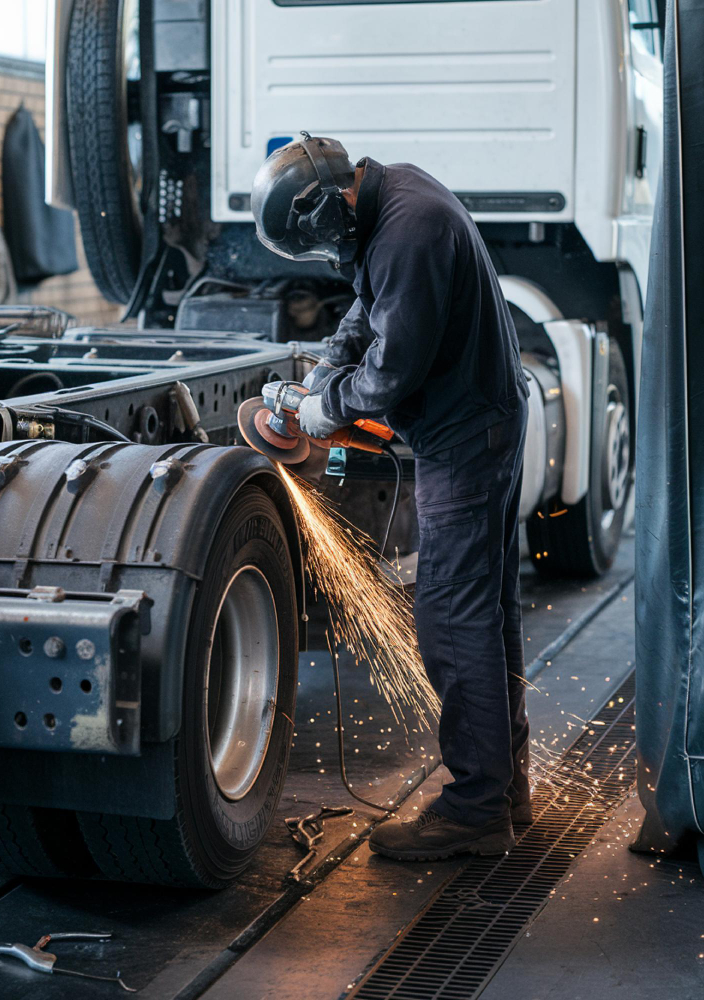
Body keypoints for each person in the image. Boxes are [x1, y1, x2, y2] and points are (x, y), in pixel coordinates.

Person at [251, 134, 531, 859]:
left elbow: (393, 373)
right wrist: (326, 368)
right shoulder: (390, 196)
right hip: (483, 424)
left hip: (466, 440)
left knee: (450, 619)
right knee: (488, 613)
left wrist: (326, 407)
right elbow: (372, 311)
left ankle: (475, 811)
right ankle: (505, 789)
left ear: (324, 209)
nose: (327, 258)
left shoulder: (410, 230)